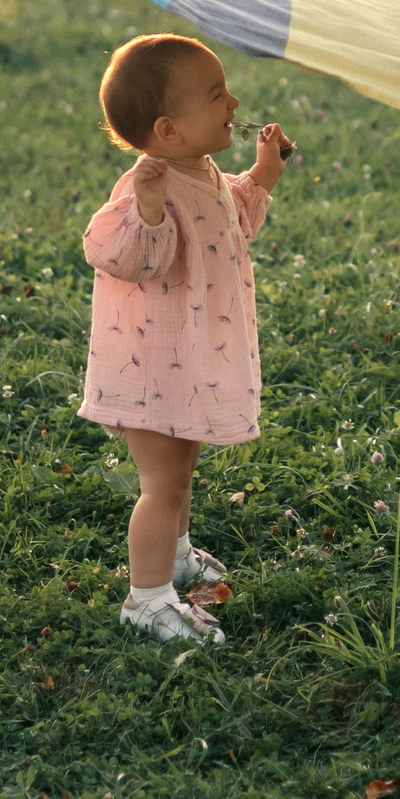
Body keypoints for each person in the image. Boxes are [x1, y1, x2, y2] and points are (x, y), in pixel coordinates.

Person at [80, 34, 294, 645]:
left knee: (182, 468)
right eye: (216, 94)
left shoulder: (200, 170)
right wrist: (148, 210)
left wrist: (264, 173)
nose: (234, 102)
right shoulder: (147, 187)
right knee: (162, 483)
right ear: (169, 130)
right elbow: (127, 258)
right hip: (152, 364)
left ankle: (174, 560)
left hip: (190, 356)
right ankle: (146, 601)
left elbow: (230, 222)